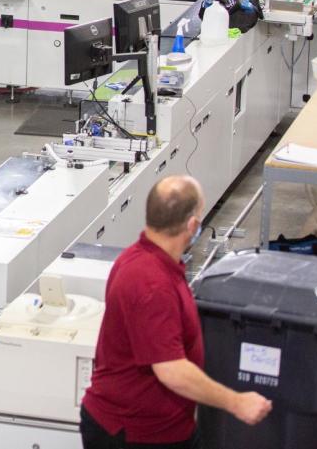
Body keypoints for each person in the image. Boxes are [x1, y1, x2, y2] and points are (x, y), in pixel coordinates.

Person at [80, 175, 272, 448]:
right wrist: (237, 402)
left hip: (162, 427)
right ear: (192, 225)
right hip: (135, 433)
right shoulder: (151, 283)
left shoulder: (143, 258)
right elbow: (171, 370)